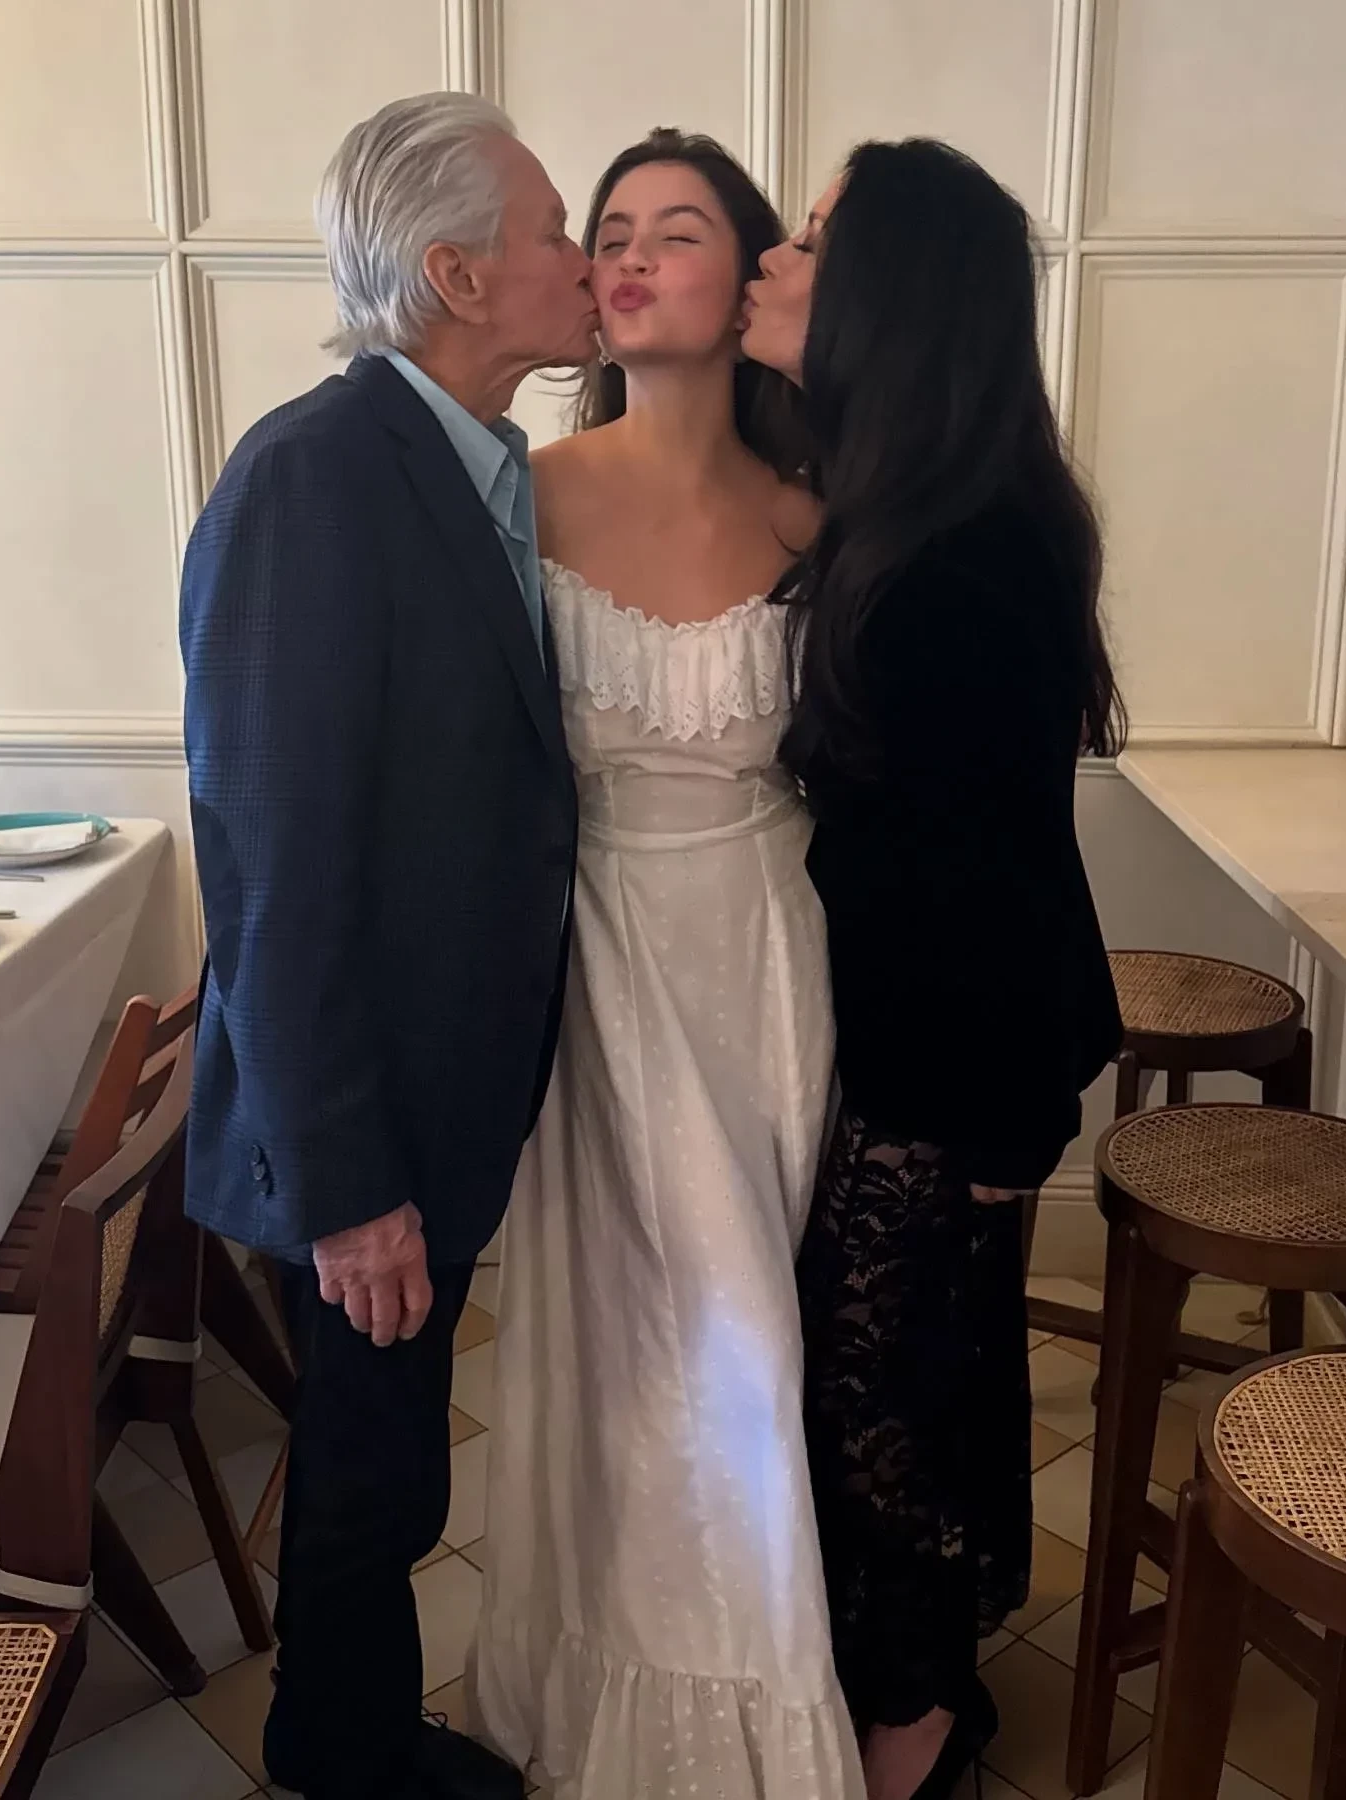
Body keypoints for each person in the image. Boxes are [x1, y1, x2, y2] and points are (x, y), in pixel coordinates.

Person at [179, 93, 598, 1800]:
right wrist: (348, 1184)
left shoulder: (471, 466)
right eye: (556, 230)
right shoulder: (314, 475)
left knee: (390, 1452)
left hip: (431, 1090)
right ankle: (342, 1756)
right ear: (456, 274)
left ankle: (337, 1729)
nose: (584, 260)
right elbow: (271, 866)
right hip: (364, 1116)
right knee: (369, 1472)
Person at [472, 129, 864, 1799]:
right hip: (597, 967)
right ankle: (634, 1694)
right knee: (634, 1352)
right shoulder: (521, 493)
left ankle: (767, 1699)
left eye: (677, 230)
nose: (629, 257)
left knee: (755, 1347)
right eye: (611, 229)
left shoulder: (818, 511)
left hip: (771, 967)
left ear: (752, 269)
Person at [741, 139, 1125, 1800]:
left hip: (952, 1070)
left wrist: (997, 1139)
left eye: (813, 239)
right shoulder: (916, 506)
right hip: (915, 1049)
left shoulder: (965, 553)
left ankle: (911, 1729)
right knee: (904, 1378)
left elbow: (995, 874)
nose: (775, 255)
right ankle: (921, 1690)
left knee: (880, 1398)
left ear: (889, 295)